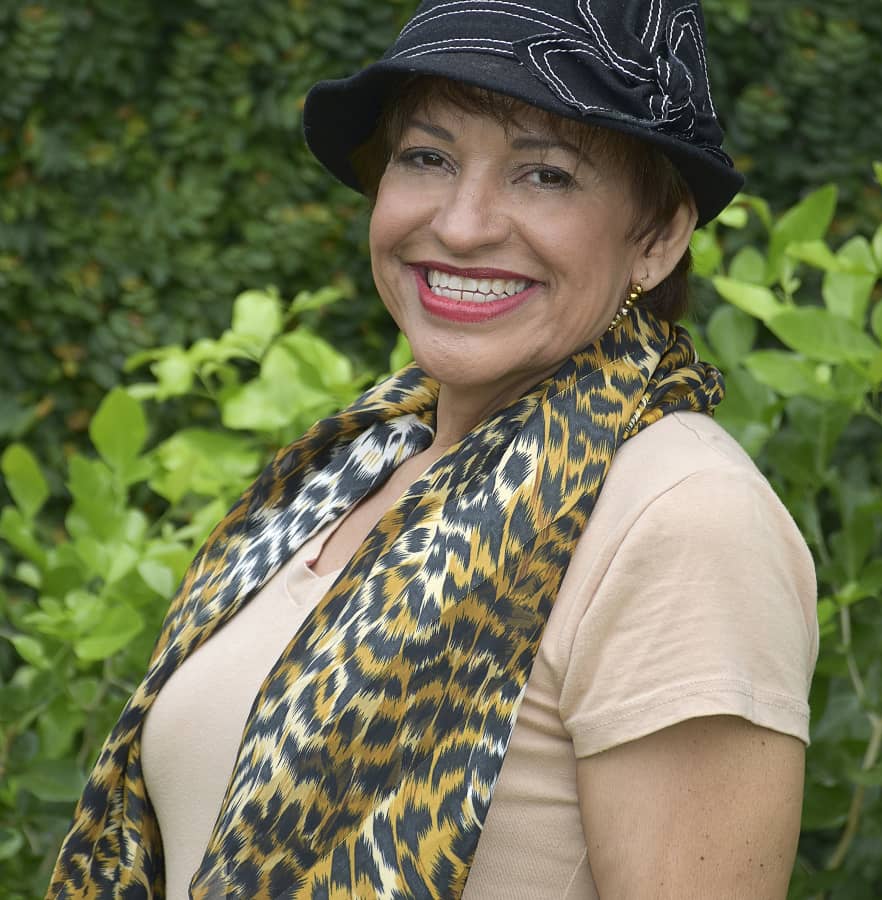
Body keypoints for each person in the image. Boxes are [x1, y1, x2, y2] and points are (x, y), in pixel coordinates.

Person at [48, 1, 818, 898]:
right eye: (428, 157)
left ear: (657, 237)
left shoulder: (683, 516)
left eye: (545, 175)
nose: (461, 224)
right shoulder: (355, 465)